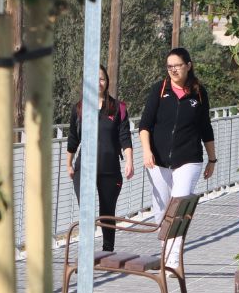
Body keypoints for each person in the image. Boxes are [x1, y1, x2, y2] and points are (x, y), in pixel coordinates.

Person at [139, 47, 216, 262]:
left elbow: (205, 128)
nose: (173, 70)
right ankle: (166, 249)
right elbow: (145, 125)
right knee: (162, 208)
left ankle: (173, 258)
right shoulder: (160, 89)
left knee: (179, 206)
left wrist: (212, 159)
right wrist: (146, 151)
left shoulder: (199, 93)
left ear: (188, 65)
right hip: (158, 160)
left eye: (177, 65)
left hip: (189, 158)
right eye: (169, 66)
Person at [67, 65, 134, 252]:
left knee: (107, 212)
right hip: (84, 170)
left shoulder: (118, 108)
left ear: (107, 82)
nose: (99, 83)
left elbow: (125, 137)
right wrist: (69, 164)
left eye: (102, 79)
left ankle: (107, 251)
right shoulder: (79, 108)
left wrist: (129, 161)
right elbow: (73, 138)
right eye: (94, 79)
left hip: (110, 169)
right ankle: (86, 253)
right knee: (86, 213)